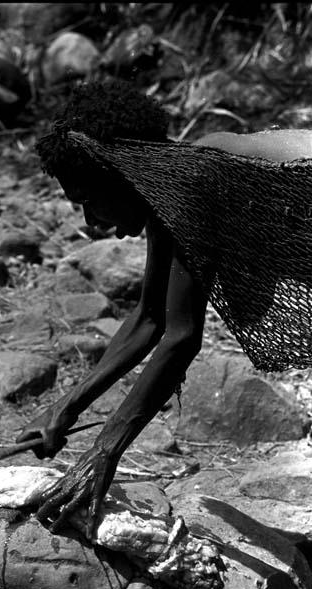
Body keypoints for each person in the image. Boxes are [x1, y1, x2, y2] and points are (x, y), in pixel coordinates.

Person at [17, 79, 312, 540]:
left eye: (89, 202)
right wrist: (65, 410)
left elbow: (181, 337)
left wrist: (103, 453)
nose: (91, 224)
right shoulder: (173, 187)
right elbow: (149, 318)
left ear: (119, 168)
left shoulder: (196, 178)